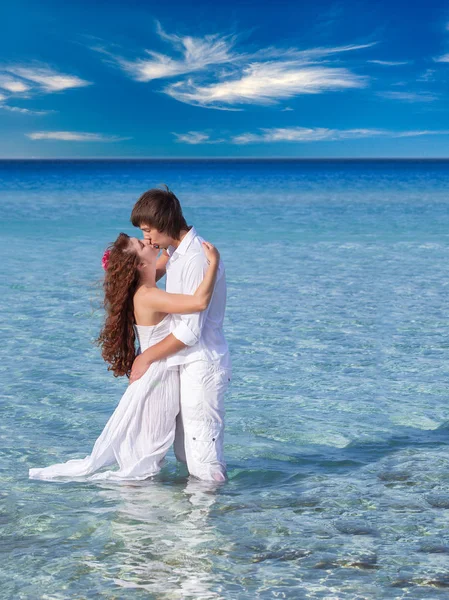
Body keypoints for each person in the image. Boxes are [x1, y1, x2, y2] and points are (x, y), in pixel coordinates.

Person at [28, 233, 220, 482]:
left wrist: (167, 241)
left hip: (157, 372)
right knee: (146, 456)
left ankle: (142, 507)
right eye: (141, 243)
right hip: (157, 376)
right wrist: (213, 263)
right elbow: (200, 302)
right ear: (140, 265)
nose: (146, 240)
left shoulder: (144, 284)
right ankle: (137, 509)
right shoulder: (148, 295)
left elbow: (164, 258)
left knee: (147, 450)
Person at [129, 186, 231, 483]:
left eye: (148, 230)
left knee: (203, 455)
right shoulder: (174, 252)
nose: (146, 238)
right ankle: (193, 521)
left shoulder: (197, 258)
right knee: (186, 452)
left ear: (165, 223)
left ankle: (210, 522)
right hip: (184, 362)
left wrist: (145, 356)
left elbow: (190, 330)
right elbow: (146, 273)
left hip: (202, 363)